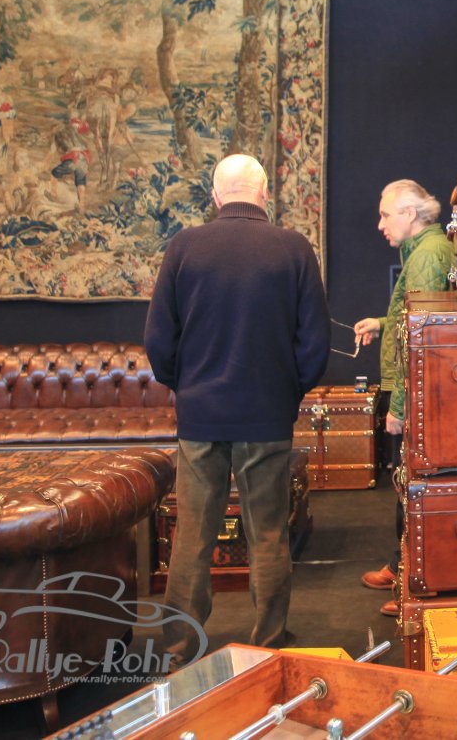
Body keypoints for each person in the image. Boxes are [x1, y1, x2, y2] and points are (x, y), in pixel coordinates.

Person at [145, 153, 329, 662]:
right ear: (265, 193)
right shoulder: (293, 249)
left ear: (216, 195)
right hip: (267, 416)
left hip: (200, 416)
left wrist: (186, 388)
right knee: (268, 533)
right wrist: (288, 393)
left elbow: (158, 340)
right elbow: (315, 344)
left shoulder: (184, 247)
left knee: (191, 536)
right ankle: (269, 643)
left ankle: (179, 648)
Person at [352, 179, 455, 616]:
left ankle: (411, 582)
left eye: (385, 214)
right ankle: (403, 569)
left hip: (414, 394)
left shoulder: (427, 255)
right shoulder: (423, 251)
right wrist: (381, 322)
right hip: (416, 390)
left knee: (411, 487)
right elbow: (409, 319)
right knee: (407, 485)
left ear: (410, 214)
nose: (380, 224)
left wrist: (399, 407)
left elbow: (420, 341)